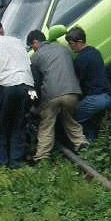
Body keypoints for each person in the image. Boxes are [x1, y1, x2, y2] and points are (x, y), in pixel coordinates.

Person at [0, 21, 35, 168]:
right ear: (2, 30)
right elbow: (27, 65)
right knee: (20, 124)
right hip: (28, 87)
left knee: (1, 124)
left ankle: (1, 163)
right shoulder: (17, 41)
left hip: (6, 87)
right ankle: (16, 163)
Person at [26, 29, 88, 161]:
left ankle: (42, 156)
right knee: (69, 119)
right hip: (72, 93)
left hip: (51, 95)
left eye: (32, 46)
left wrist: (34, 103)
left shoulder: (35, 58)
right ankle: (81, 144)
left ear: (36, 42)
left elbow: (34, 84)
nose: (33, 49)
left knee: (46, 124)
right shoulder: (63, 49)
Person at [65, 26, 111, 142]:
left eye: (71, 44)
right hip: (108, 96)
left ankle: (85, 145)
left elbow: (77, 83)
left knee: (71, 119)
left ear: (80, 42)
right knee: (88, 118)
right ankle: (94, 142)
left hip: (95, 98)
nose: (70, 46)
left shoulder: (80, 60)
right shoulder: (95, 52)